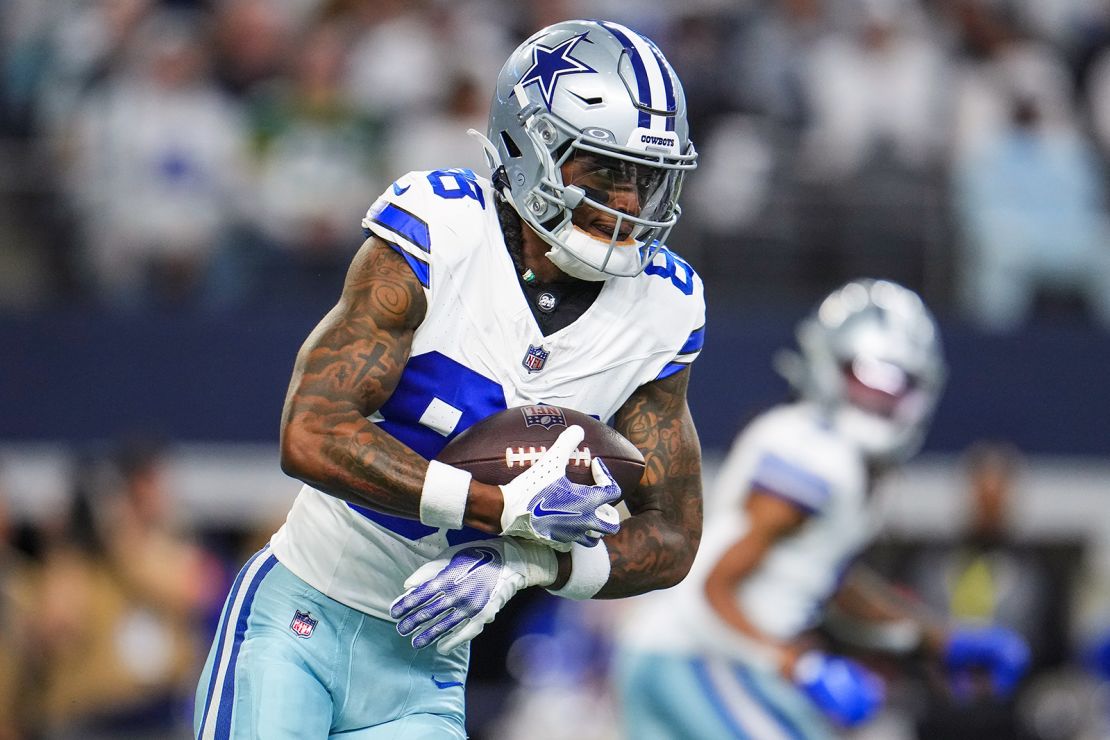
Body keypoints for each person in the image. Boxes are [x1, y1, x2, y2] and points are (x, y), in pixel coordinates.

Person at [194, 18, 704, 739]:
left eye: (646, 179)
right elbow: (310, 432)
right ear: (532, 150)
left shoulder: (664, 309)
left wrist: (527, 567)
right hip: (301, 616)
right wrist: (500, 508)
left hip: (425, 673)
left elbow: (674, 538)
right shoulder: (441, 228)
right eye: (606, 171)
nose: (628, 203)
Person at [612, 279, 1030, 739]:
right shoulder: (816, 453)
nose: (880, 399)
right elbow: (709, 587)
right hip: (696, 656)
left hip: (694, 654)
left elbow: (821, 582)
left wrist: (936, 639)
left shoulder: (839, 457)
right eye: (867, 378)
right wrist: (802, 665)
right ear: (828, 364)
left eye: (896, 385)